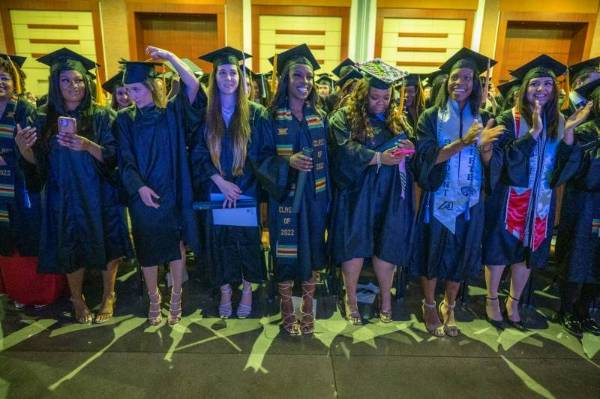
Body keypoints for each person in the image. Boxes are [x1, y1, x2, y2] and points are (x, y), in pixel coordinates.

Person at [16, 48, 132, 324]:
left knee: (107, 244)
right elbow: (38, 165)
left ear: (87, 83)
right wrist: (24, 151)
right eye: (66, 80)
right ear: (56, 84)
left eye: (79, 80)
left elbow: (115, 157)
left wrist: (86, 144)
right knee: (70, 246)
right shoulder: (44, 118)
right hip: (63, 193)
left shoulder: (102, 116)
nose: (74, 86)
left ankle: (108, 295)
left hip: (100, 192)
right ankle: (77, 300)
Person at [483, 55, 590, 330]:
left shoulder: (560, 120)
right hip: (510, 197)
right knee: (499, 251)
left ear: (554, 90)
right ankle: (492, 298)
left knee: (528, 252)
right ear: (524, 89)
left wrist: (569, 134)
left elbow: (565, 165)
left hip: (541, 201)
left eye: (547, 84)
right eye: (534, 84)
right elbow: (504, 160)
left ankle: (514, 301)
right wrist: (532, 133)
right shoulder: (510, 119)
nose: (540, 89)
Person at [410, 48, 504, 337]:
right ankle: (428, 303)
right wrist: (464, 142)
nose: (459, 82)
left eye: (467, 77)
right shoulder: (431, 117)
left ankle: (449, 305)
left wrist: (485, 146)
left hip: (470, 202)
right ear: (446, 81)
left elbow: (492, 165)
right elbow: (426, 158)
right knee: (433, 254)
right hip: (438, 199)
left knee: (462, 255)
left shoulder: (485, 116)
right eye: (454, 77)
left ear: (476, 82)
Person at [116, 46, 202, 326]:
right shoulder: (124, 120)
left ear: (152, 87)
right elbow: (124, 160)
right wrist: (139, 188)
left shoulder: (171, 114)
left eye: (137, 89)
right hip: (141, 194)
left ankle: (176, 295)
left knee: (174, 245)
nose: (132, 96)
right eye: (128, 90)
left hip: (171, 191)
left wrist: (170, 57)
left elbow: (194, 85)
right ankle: (155, 297)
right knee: (147, 247)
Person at [328, 60, 414, 324]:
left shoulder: (397, 119)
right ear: (363, 94)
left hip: (388, 193)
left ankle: (385, 299)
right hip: (357, 192)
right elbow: (342, 152)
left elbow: (408, 149)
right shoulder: (343, 117)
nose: (381, 102)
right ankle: (350, 298)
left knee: (386, 243)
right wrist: (378, 157)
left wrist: (407, 150)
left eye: (386, 97)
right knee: (354, 244)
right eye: (375, 97)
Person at [255, 44, 330, 335]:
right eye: (298, 76)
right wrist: (288, 162)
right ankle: (287, 308)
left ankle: (308, 307)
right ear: (286, 79)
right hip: (284, 197)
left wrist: (327, 200)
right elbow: (259, 157)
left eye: (309, 78)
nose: (305, 82)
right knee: (285, 254)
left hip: (313, 197)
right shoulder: (271, 116)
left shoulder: (318, 116)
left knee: (312, 249)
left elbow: (328, 162)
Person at [191, 47, 268, 318]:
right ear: (215, 78)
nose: (228, 77)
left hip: (245, 190)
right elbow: (198, 153)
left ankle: (247, 290)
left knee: (247, 241)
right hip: (216, 190)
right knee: (219, 242)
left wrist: (240, 186)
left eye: (232, 72)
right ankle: (225, 291)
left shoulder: (256, 113)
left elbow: (261, 155)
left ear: (240, 76)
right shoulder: (206, 114)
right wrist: (219, 182)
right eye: (222, 72)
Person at [555, 78, 600, 337]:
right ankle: (567, 309)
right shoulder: (586, 132)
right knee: (577, 255)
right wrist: (570, 133)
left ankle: (586, 310)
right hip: (583, 203)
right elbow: (568, 167)